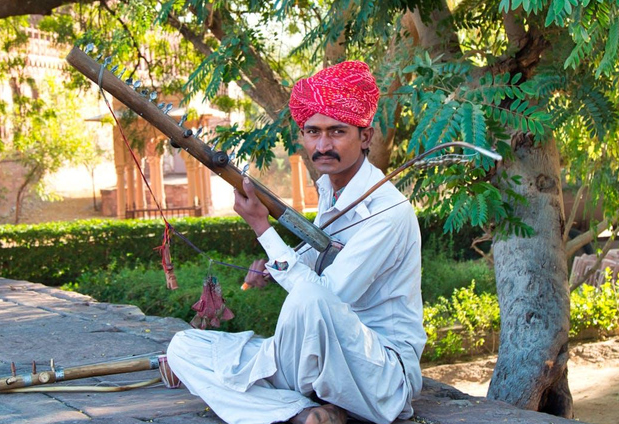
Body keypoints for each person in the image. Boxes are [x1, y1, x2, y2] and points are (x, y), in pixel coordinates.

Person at [166, 61, 426, 424]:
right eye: (313, 132)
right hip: (318, 362)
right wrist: (274, 271)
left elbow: (326, 295)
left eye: (337, 132)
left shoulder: (388, 212)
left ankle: (302, 405)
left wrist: (262, 227)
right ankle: (305, 413)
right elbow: (318, 265)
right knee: (183, 347)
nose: (323, 145)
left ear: (365, 137)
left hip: (376, 371)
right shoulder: (329, 191)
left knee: (307, 298)